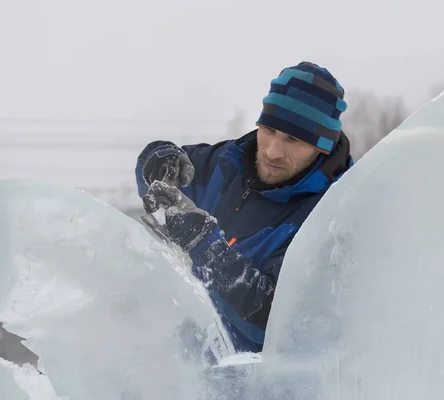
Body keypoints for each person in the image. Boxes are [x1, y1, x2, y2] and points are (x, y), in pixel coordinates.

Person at [135, 61, 353, 353]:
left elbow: (274, 323)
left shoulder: (331, 218)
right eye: (270, 129)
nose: (273, 151)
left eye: (294, 139)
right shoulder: (228, 163)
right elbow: (153, 176)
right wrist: (157, 159)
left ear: (322, 148)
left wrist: (206, 247)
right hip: (180, 362)